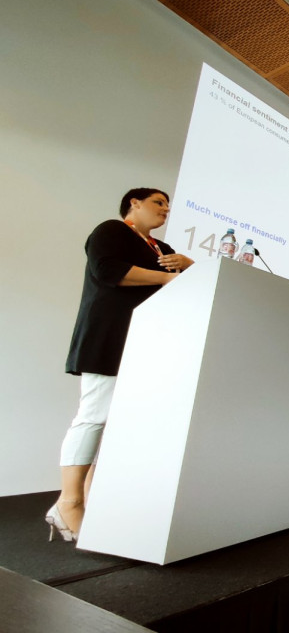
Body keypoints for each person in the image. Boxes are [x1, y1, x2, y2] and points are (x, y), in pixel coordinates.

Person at [47, 188, 193, 541]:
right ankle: (68, 502)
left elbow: (183, 292)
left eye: (168, 205)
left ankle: (95, 500)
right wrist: (166, 277)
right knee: (94, 415)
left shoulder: (163, 249)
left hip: (148, 341)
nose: (166, 209)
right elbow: (108, 270)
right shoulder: (111, 230)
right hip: (109, 336)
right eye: (158, 202)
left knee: (121, 425)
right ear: (134, 204)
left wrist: (189, 268)